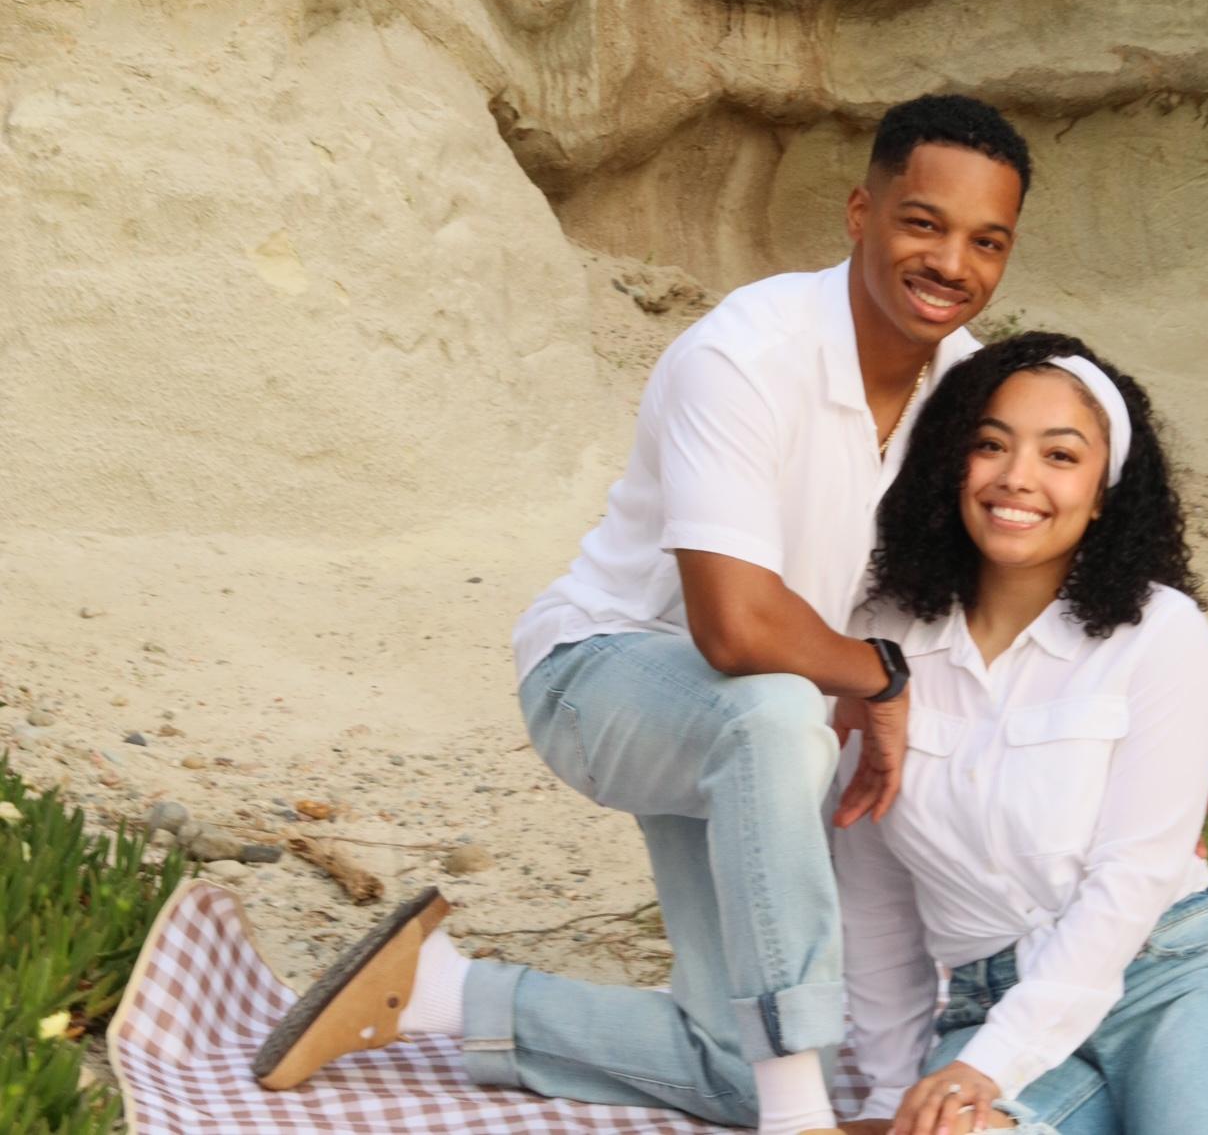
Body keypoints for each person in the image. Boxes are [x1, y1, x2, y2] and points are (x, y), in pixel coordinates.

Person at [250, 95, 1031, 1134]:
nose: (951, 263)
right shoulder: (745, 354)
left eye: (986, 241)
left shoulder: (969, 390)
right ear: (859, 212)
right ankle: (800, 1119)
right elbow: (733, 628)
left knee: (734, 1063)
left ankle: (438, 991)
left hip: (756, 744)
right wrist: (879, 674)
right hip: (604, 677)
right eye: (922, 223)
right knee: (774, 713)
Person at [833, 332, 1208, 1135]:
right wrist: (894, 1100)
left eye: (1060, 456)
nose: (1016, 478)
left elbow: (1135, 874)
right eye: (990, 445)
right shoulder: (880, 638)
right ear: (951, 464)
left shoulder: (1160, 632)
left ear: (1103, 493)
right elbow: (872, 893)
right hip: (987, 1003)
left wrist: (992, 1064)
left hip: (1172, 976)